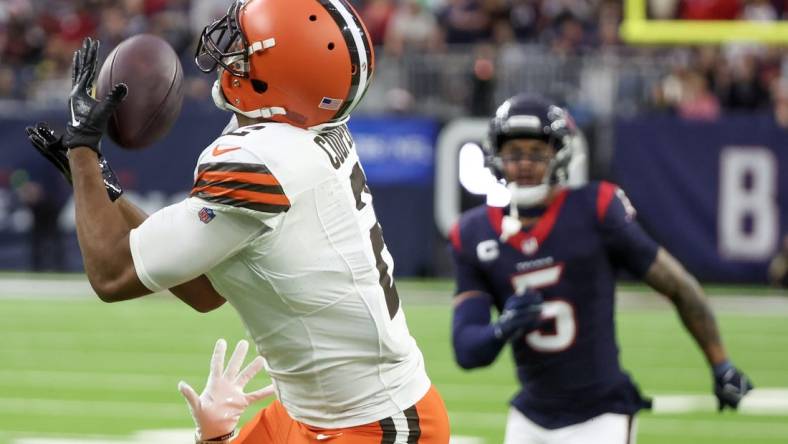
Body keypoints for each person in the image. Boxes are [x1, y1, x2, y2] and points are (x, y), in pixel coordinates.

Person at [25, 0, 451, 443]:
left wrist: (82, 151)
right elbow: (203, 288)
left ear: (281, 72)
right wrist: (101, 186)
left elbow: (111, 275)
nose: (231, 54)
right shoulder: (300, 133)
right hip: (312, 410)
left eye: (246, 49)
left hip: (374, 423)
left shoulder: (262, 159)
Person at [448, 94, 753, 444]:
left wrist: (721, 364)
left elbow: (678, 286)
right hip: (531, 415)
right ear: (497, 156)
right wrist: (502, 329)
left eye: (537, 152)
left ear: (559, 154)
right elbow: (467, 350)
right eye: (515, 152)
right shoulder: (473, 233)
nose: (525, 164)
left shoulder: (595, 209)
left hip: (600, 412)